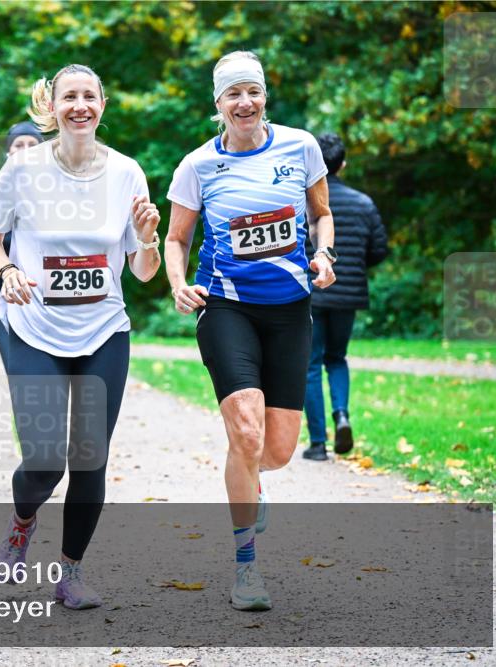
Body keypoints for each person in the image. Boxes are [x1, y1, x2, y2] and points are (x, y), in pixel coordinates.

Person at [0, 64, 161, 610]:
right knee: (43, 463)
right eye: (69, 97)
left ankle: (71, 573)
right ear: (51, 106)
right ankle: (22, 521)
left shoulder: (128, 172)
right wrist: (8, 269)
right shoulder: (22, 170)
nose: (79, 106)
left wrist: (147, 241)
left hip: (104, 329)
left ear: (102, 104)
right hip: (35, 327)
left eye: (89, 96)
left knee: (89, 458)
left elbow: (144, 271)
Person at [164, 51, 336, 611]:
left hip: (289, 309)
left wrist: (324, 253)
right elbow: (176, 240)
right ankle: (246, 569)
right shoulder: (197, 166)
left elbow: (320, 215)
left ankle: (249, 474)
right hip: (227, 308)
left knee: (277, 451)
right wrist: (176, 285)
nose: (244, 102)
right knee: (245, 430)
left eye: (252, 92)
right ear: (217, 104)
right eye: (232, 94)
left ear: (265, 97)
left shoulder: (301, 147)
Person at [302, 133, 389, 461]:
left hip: (311, 295)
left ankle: (317, 444)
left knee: (310, 364)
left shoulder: (303, 201)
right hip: (348, 296)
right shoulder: (363, 203)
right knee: (336, 358)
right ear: (343, 164)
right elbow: (379, 249)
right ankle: (342, 415)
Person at [0, 121, 46, 371]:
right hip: (9, 298)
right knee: (19, 376)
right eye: (19, 145)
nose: (26, 150)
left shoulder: (58, 194)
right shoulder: (0, 193)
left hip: (50, 300)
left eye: (32, 145)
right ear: (8, 152)